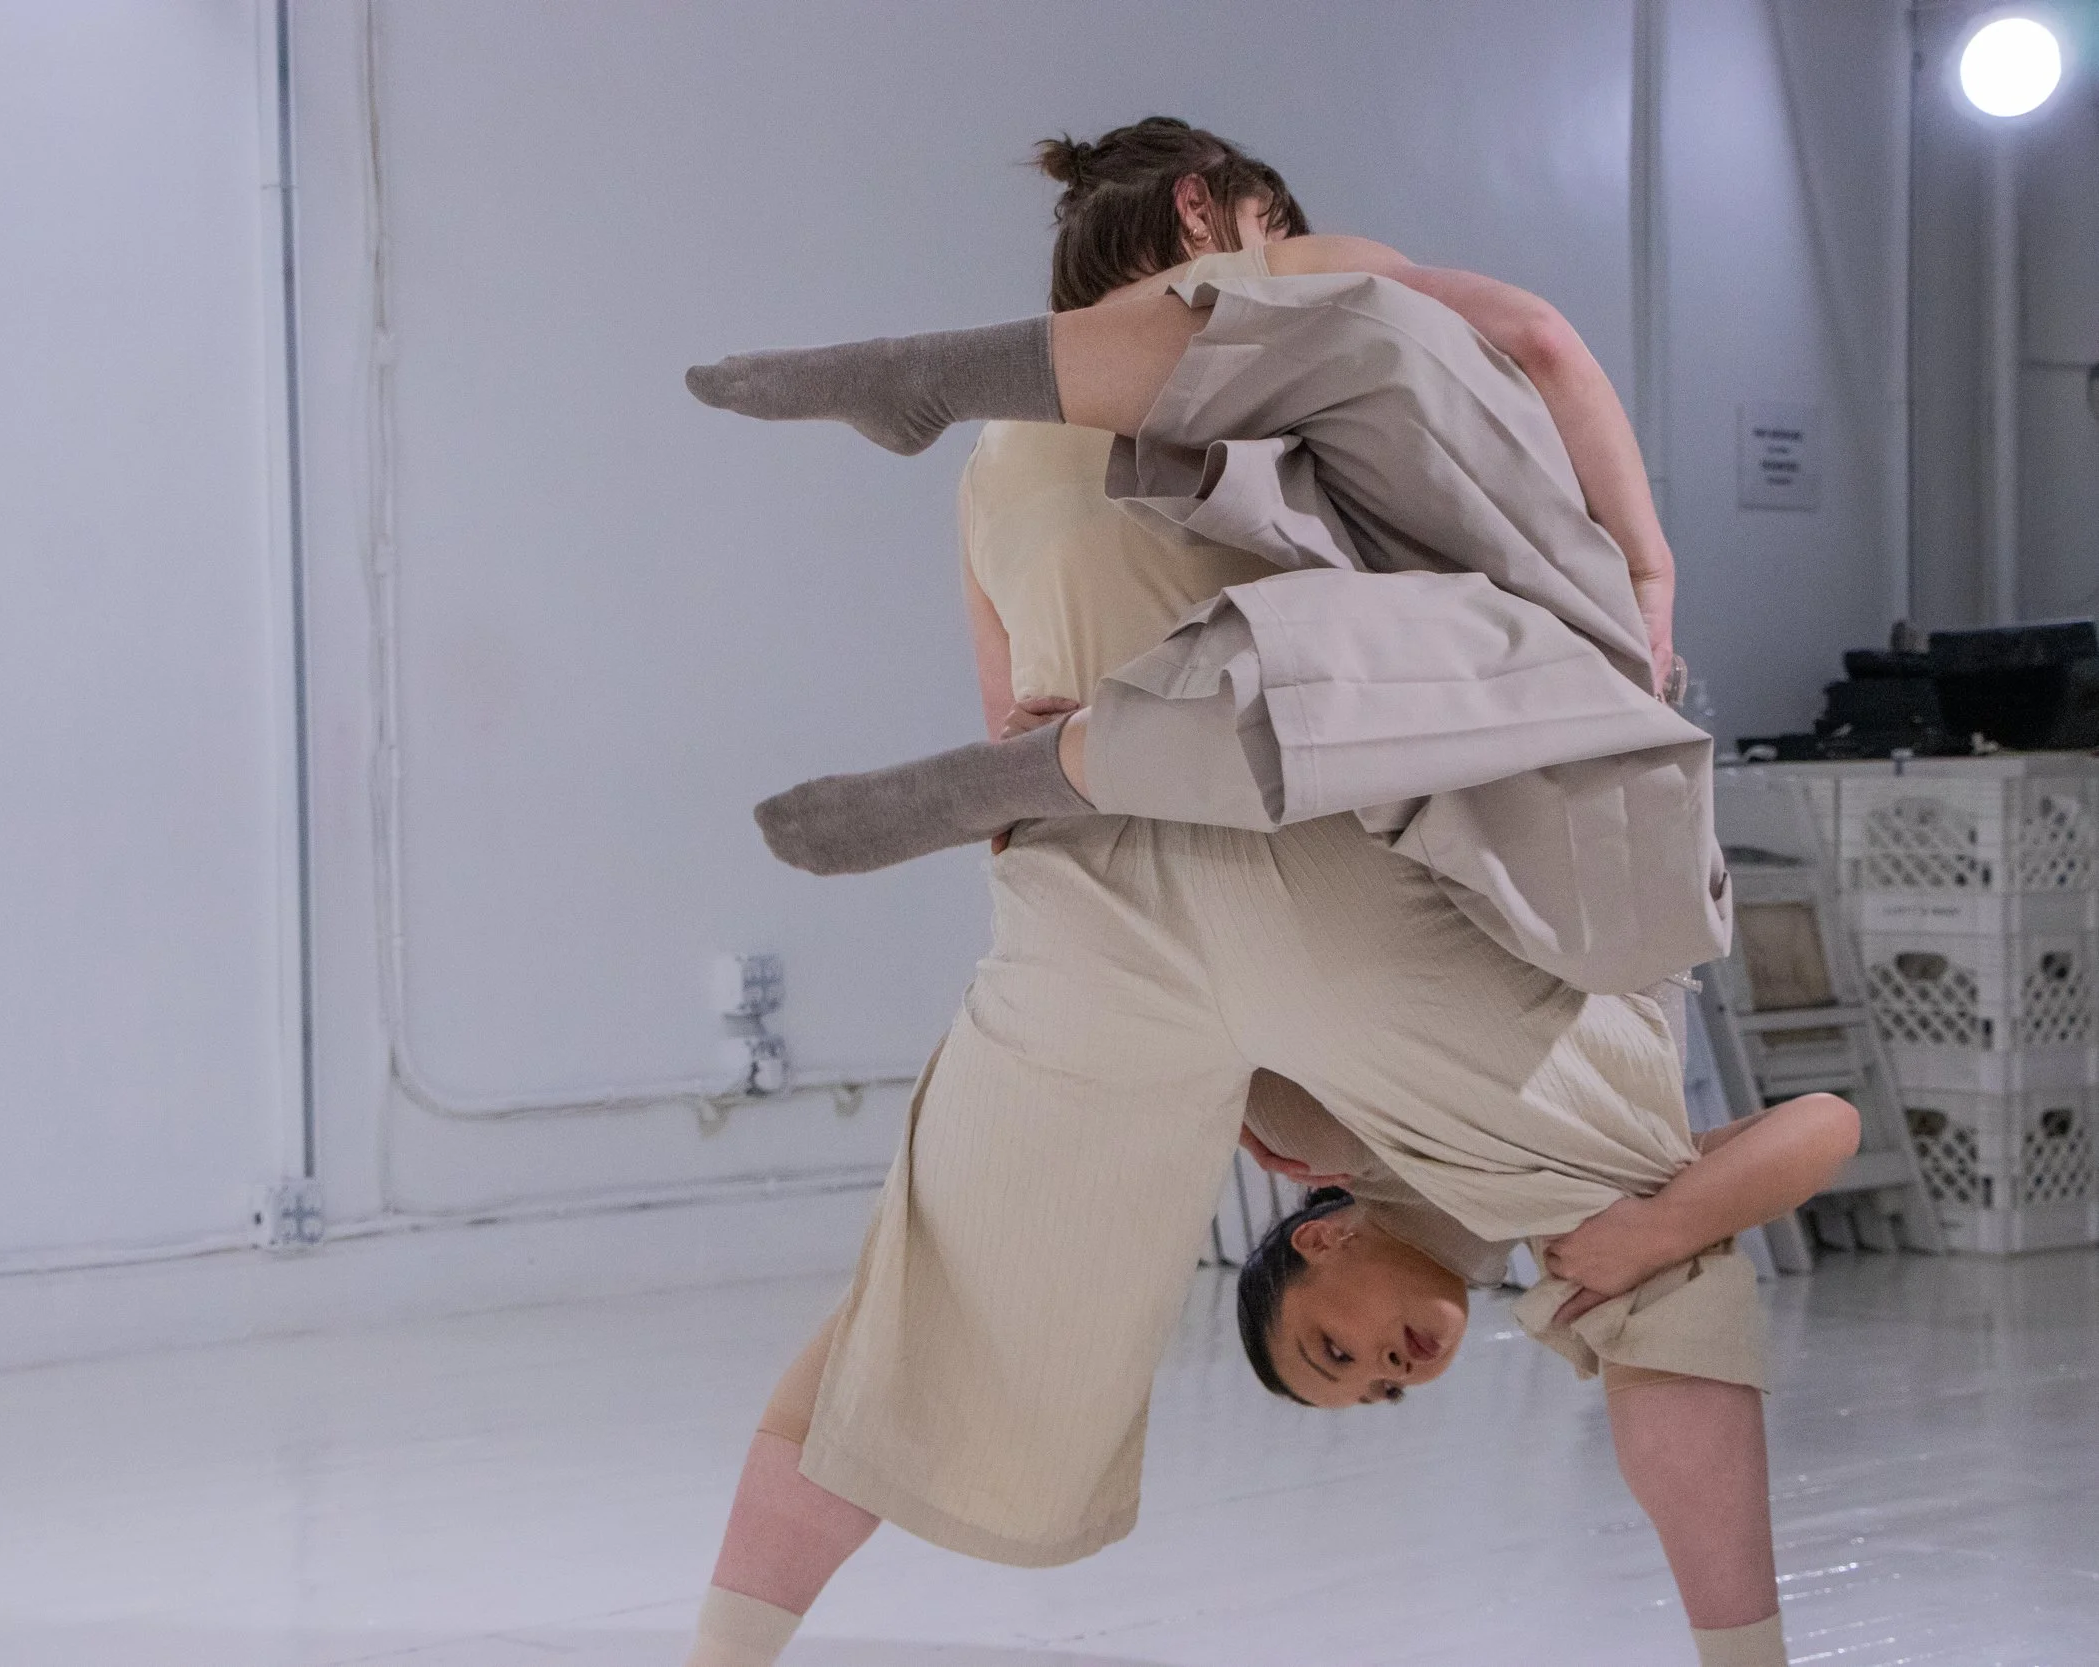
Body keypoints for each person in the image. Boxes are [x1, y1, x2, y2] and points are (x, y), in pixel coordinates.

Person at [677, 119, 1801, 1667]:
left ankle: (720, 1655)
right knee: (1665, 1272)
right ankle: (1749, 1661)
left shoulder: (995, 470)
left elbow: (1005, 700)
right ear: (1218, 209)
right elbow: (1535, 340)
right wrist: (1651, 571)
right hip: (1323, 830)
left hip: (1082, 891)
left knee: (913, 1319)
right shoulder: (1307, 287)